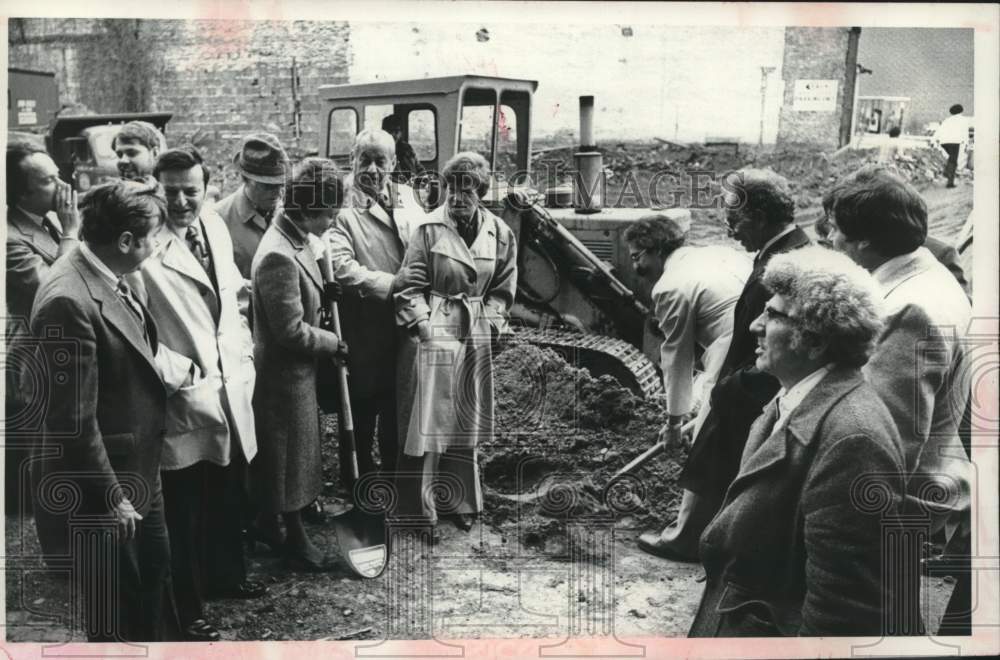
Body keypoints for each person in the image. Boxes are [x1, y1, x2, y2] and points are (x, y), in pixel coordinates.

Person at [689, 245, 906, 637]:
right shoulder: (790, 398)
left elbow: (842, 612)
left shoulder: (853, 440)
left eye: (772, 314)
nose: (756, 325)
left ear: (816, 340)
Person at [29, 181, 182, 641]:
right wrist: (113, 497)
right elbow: (72, 419)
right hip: (110, 486)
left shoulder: (102, 274)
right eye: (152, 236)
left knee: (151, 579)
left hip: (136, 466)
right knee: (119, 606)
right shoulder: (67, 301)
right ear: (125, 242)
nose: (156, 245)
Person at [825, 167, 972, 634]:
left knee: (870, 620)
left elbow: (883, 437)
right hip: (915, 493)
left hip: (893, 503)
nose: (829, 239)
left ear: (864, 241)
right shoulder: (930, 276)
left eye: (834, 229)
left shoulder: (909, 309)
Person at [130, 146, 265, 642]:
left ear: (207, 188)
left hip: (229, 381)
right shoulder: (145, 246)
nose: (182, 202)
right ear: (155, 189)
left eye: (191, 190)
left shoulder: (213, 223)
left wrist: (244, 347)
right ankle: (189, 609)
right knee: (184, 509)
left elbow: (232, 293)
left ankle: (227, 576)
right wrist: (179, 374)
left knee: (229, 489)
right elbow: (136, 328)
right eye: (171, 193)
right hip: (187, 391)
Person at [648, 169, 811, 561]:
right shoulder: (784, 250)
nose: (729, 230)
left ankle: (692, 538)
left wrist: (727, 390)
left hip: (754, 386)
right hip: (749, 379)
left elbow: (773, 339)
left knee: (717, 457)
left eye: (734, 220)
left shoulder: (783, 264)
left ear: (757, 216)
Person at [394, 151, 517, 536]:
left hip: (475, 329)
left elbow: (503, 288)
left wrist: (493, 322)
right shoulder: (428, 230)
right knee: (431, 424)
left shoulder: (499, 231)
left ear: (480, 191)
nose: (458, 198)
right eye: (452, 189)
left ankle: (459, 502)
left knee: (466, 421)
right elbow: (407, 288)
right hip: (437, 329)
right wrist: (424, 326)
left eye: (468, 190)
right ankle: (423, 509)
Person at [624, 213, 751, 558]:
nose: (637, 266)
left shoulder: (671, 285)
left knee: (707, 440)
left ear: (652, 251)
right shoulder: (714, 253)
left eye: (636, 257)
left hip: (730, 347)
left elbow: (676, 358)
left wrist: (674, 424)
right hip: (762, 342)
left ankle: (685, 536)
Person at [250, 158, 348, 571]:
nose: (332, 221)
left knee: (296, 457)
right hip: (283, 378)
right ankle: (294, 538)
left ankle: (273, 527)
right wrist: (332, 342)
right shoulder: (278, 256)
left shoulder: (296, 239)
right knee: (287, 462)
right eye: (328, 213)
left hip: (297, 376)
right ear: (306, 209)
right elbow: (289, 329)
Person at [327, 128, 422, 492]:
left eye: (380, 160)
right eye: (363, 159)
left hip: (404, 325)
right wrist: (392, 284)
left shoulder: (408, 199)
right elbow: (340, 265)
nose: (371, 169)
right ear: (351, 160)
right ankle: (360, 480)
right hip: (363, 326)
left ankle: (393, 479)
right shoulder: (341, 207)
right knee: (362, 407)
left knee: (397, 405)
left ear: (394, 163)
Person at [5, 141, 81, 513]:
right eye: (50, 180)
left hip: (62, 350)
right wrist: (70, 231)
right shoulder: (10, 240)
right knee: (46, 450)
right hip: (36, 356)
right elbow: (55, 291)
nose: (63, 187)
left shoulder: (45, 217)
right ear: (21, 192)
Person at [215, 133, 291, 280]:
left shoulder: (290, 213)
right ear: (247, 179)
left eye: (281, 184)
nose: (278, 192)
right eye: (268, 186)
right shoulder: (218, 218)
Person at [933, 104, 970, 188]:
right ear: (961, 111)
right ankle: (950, 182)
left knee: (952, 159)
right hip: (955, 142)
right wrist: (966, 144)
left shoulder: (947, 120)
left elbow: (939, 130)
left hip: (944, 142)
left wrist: (934, 140)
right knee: (953, 161)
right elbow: (965, 133)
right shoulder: (964, 120)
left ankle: (947, 172)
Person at [381, 114, 423, 184]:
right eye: (390, 131)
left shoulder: (407, 149)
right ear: (384, 132)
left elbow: (419, 168)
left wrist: (423, 178)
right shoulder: (380, 150)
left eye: (397, 131)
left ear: (401, 133)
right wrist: (404, 184)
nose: (394, 134)